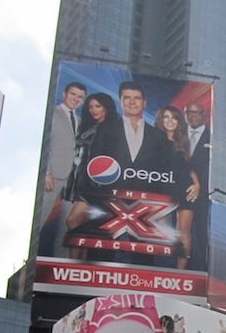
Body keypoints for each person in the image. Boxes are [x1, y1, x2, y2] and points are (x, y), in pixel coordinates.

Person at [66, 81, 182, 264]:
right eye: (127, 98)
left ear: (144, 102)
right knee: (101, 252)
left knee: (143, 256)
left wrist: (163, 208)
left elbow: (164, 173)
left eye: (136, 98)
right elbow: (94, 164)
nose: (132, 102)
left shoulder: (158, 136)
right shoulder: (106, 128)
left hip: (144, 205)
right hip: (109, 201)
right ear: (120, 101)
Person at [40, 81, 87, 256]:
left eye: (80, 97)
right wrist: (46, 172)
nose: (76, 99)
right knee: (41, 216)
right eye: (73, 95)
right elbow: (46, 142)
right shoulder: (52, 114)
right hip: (54, 175)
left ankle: (59, 263)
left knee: (67, 226)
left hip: (73, 179)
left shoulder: (81, 121)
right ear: (64, 94)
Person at [154, 105, 199, 269]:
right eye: (166, 117)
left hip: (185, 188)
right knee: (159, 227)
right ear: (161, 120)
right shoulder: (154, 139)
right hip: (163, 187)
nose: (170, 120)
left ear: (178, 122)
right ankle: (156, 266)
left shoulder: (183, 142)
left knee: (183, 230)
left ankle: (181, 271)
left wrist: (197, 184)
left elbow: (189, 166)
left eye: (173, 117)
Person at [182, 102, 210, 270]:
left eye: (197, 113)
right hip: (179, 190)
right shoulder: (178, 135)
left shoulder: (212, 137)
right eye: (189, 113)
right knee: (181, 231)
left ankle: (206, 269)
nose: (193, 116)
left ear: (203, 115)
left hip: (204, 194)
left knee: (202, 232)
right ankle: (183, 268)